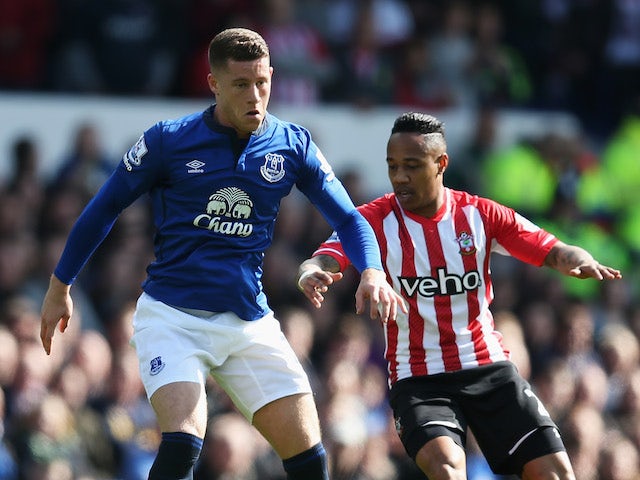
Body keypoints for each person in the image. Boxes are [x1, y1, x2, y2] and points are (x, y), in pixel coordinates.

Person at [40, 27, 403, 480]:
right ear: (214, 84)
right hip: (173, 319)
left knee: (310, 456)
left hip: (248, 323)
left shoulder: (292, 145)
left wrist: (370, 270)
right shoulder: (168, 141)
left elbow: (349, 220)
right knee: (183, 442)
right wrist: (61, 284)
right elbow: (104, 207)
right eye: (240, 85)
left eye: (262, 83)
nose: (255, 96)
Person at [297, 112, 623, 479]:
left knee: (556, 472)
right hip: (419, 379)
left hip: (488, 370)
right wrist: (313, 271)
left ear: (441, 164)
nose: (399, 176)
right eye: (392, 166)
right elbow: (326, 254)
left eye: (411, 165)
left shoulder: (479, 216)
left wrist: (576, 259)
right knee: (448, 468)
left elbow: (551, 247)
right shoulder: (373, 220)